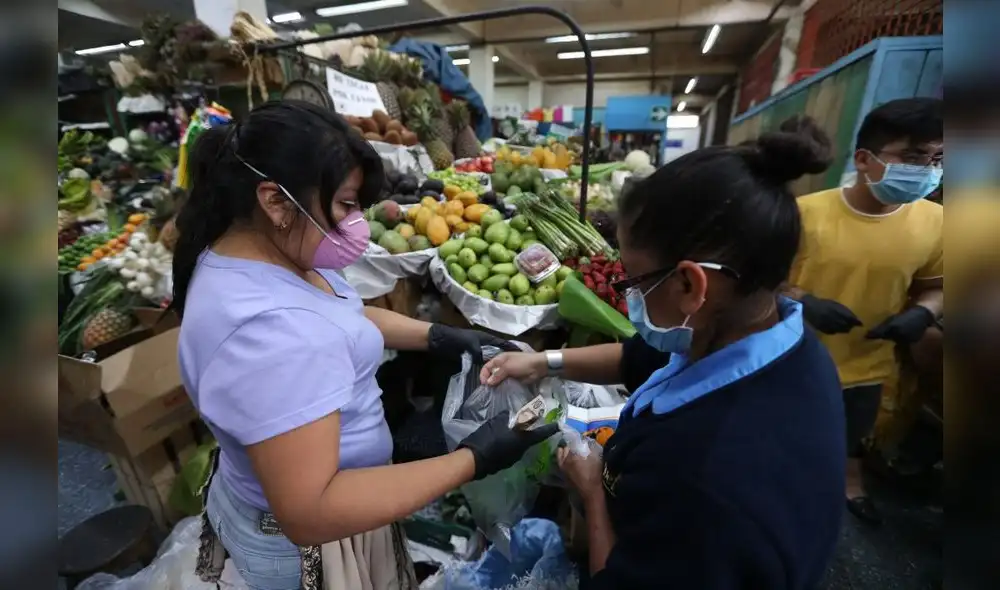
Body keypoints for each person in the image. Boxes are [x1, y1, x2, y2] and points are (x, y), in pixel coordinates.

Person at [172, 100, 556, 590]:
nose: (357, 221)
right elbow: (311, 510)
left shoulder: (268, 256)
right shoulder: (270, 333)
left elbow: (339, 314)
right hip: (312, 548)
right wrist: (473, 459)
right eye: (346, 204)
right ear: (275, 201)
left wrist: (436, 335)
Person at [482, 118, 846, 589]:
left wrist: (592, 493)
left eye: (633, 281)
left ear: (690, 284)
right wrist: (542, 361)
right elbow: (637, 358)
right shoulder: (767, 340)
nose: (629, 296)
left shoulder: (707, 478)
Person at [784, 98, 943, 525]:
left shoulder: (937, 222)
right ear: (863, 159)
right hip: (797, 355)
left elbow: (936, 286)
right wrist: (804, 301)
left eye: (937, 158)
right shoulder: (805, 215)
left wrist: (924, 313)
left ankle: (850, 483)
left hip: (870, 359)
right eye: (914, 157)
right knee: (790, 438)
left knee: (853, 430)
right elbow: (767, 281)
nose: (928, 169)